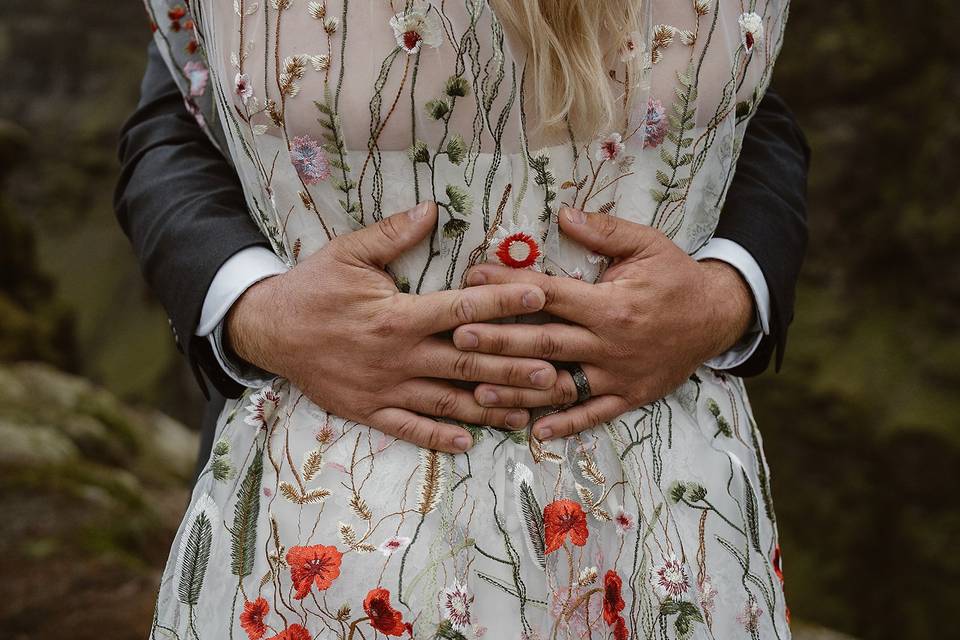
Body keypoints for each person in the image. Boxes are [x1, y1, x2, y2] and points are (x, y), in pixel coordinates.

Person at [116, 1, 808, 638]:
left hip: (670, 522)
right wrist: (257, 310)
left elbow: (746, 103)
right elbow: (179, 111)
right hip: (320, 519)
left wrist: (726, 294)